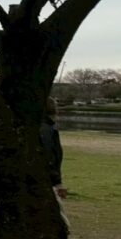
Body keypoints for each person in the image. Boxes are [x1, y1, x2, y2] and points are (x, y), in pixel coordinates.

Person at [40, 97, 70, 231]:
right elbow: (49, 158)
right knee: (61, 222)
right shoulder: (46, 130)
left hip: (46, 180)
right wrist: (57, 182)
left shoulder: (45, 128)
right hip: (46, 181)